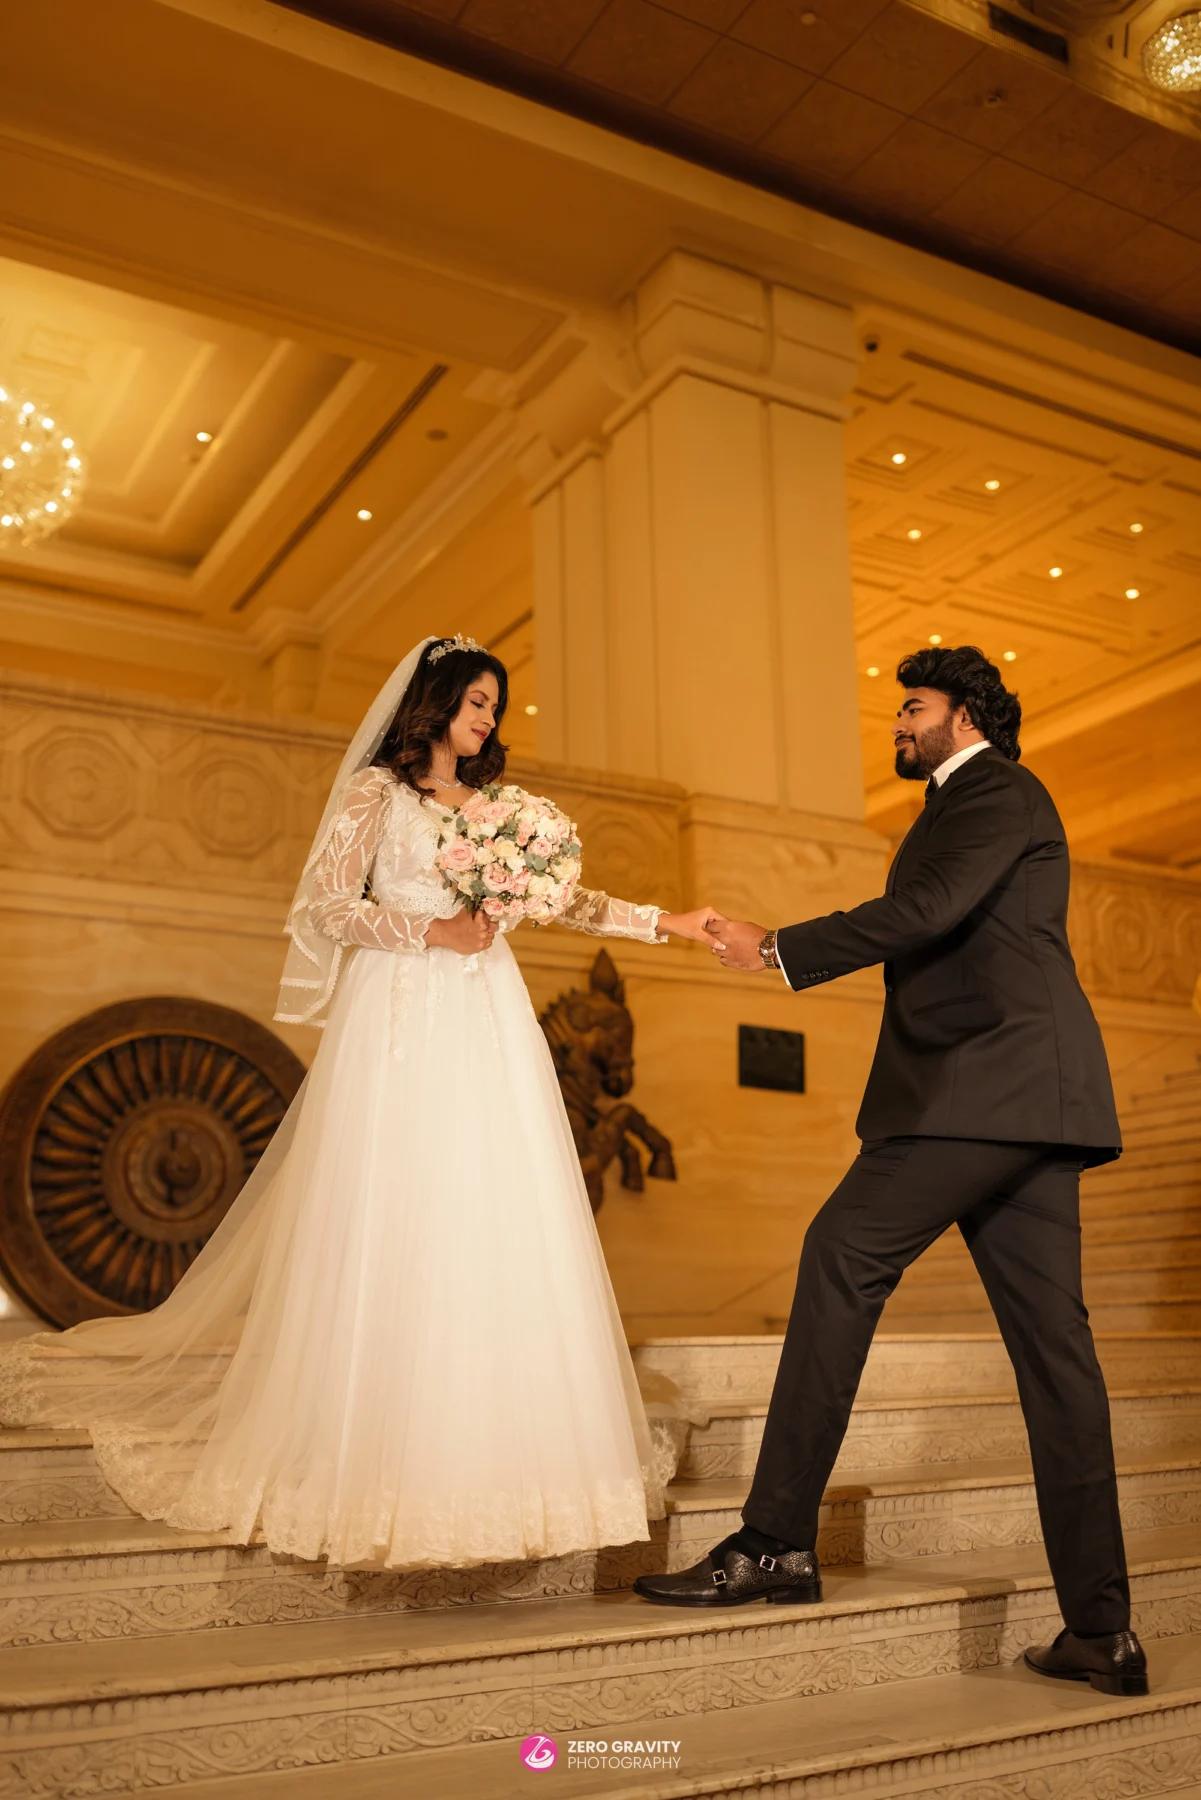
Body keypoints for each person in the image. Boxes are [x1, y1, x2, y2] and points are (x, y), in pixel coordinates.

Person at [0, 635, 717, 1569]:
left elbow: (565, 903)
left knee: (495, 1212)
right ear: (433, 701)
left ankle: (511, 1464)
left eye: (497, 704)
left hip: (487, 1016)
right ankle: (379, 1466)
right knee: (400, 1206)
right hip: (404, 1008)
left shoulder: (502, 810)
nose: (488, 716)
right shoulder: (373, 794)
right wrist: (434, 930)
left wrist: (670, 922)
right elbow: (327, 908)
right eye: (476, 699)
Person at [632, 644, 1148, 1701]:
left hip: (983, 1091)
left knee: (839, 1255)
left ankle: (774, 1542)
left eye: (910, 707)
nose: (898, 725)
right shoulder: (969, 802)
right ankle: (1099, 1633)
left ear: (963, 714)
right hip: (1021, 1101)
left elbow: (928, 913)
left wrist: (778, 945)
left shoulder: (994, 787)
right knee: (1057, 1361)